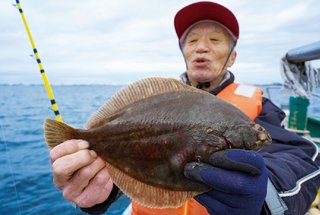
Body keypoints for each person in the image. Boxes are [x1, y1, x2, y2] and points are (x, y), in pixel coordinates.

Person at [49, 1, 320, 215]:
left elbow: (301, 160)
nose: (202, 47)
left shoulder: (262, 107)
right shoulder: (157, 103)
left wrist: (264, 197)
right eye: (192, 41)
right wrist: (97, 194)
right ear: (184, 52)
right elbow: (131, 170)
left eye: (215, 40)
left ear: (232, 56)